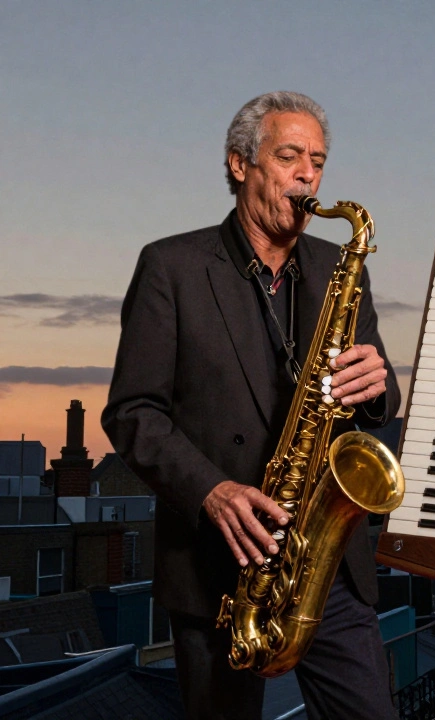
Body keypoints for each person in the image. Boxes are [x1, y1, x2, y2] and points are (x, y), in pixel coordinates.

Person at [102, 91, 400, 719]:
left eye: (317, 161)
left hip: (328, 569)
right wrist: (212, 491)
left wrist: (379, 383)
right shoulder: (171, 267)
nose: (308, 176)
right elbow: (132, 415)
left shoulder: (340, 266)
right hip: (220, 571)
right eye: (289, 156)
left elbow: (376, 399)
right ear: (241, 164)